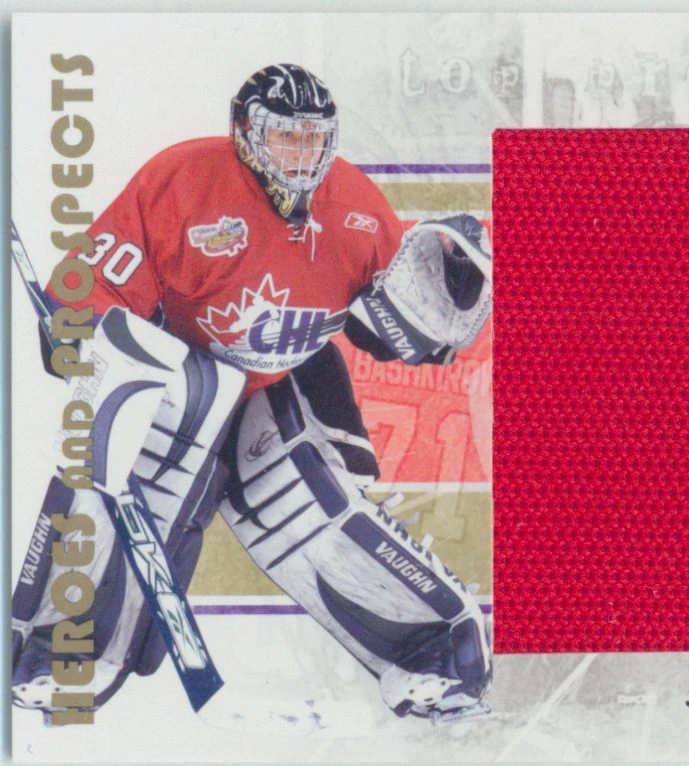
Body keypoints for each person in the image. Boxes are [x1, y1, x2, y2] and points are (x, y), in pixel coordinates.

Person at [11, 63, 493, 724]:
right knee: (155, 441)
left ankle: (436, 653)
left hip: (276, 385)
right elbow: (94, 283)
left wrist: (444, 297)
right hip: (181, 378)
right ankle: (57, 649)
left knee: (309, 514)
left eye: (313, 139)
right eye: (285, 137)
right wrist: (78, 333)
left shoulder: (356, 206)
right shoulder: (183, 180)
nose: (302, 156)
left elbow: (386, 321)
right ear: (243, 130)